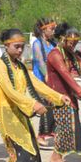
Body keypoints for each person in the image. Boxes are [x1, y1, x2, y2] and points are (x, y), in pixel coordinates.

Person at [0, 28, 68, 162]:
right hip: (8, 116)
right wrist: (33, 105)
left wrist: (57, 97)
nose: (20, 50)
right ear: (6, 45)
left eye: (22, 47)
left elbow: (35, 83)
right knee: (19, 155)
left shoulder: (19, 65)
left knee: (32, 152)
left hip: (20, 114)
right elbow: (10, 92)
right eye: (16, 47)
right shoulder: (0, 66)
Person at [45, 23, 81, 162]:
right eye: (71, 43)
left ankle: (57, 157)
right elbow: (66, 75)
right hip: (58, 96)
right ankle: (55, 158)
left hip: (68, 95)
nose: (73, 46)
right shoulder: (55, 54)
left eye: (75, 43)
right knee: (65, 127)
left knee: (68, 128)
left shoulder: (70, 54)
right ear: (62, 39)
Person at [31, 18, 56, 149]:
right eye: (51, 28)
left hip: (51, 80)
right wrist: (48, 79)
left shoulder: (52, 43)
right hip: (41, 81)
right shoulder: (37, 44)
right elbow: (41, 63)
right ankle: (41, 136)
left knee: (53, 106)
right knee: (46, 107)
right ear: (43, 29)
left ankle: (48, 133)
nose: (53, 31)